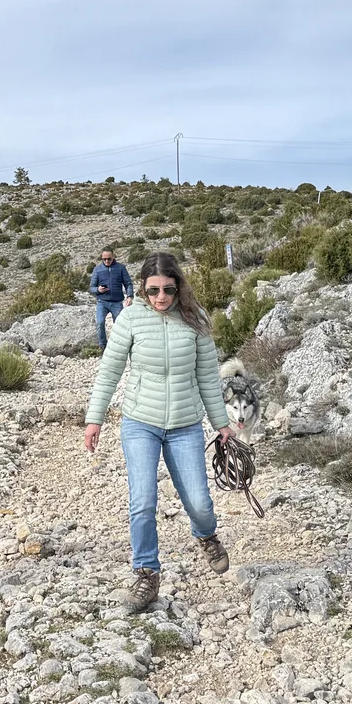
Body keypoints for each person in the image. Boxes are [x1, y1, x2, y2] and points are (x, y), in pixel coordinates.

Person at [83, 252, 236, 612]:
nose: (161, 298)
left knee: (199, 502)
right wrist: (95, 418)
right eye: (153, 291)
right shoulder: (131, 319)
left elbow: (208, 378)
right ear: (143, 288)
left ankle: (206, 535)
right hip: (140, 423)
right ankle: (147, 574)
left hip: (185, 424)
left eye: (168, 289)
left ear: (178, 287)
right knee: (143, 502)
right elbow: (109, 372)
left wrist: (221, 423)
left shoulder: (195, 320)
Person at [89, 249, 133, 349]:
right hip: (102, 302)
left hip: (117, 302)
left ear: (113, 257)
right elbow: (91, 288)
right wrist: (98, 290)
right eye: (104, 259)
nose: (107, 261)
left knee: (119, 325)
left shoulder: (121, 268)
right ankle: (103, 346)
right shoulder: (97, 269)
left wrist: (130, 296)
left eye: (109, 259)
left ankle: (119, 346)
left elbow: (128, 283)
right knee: (100, 323)